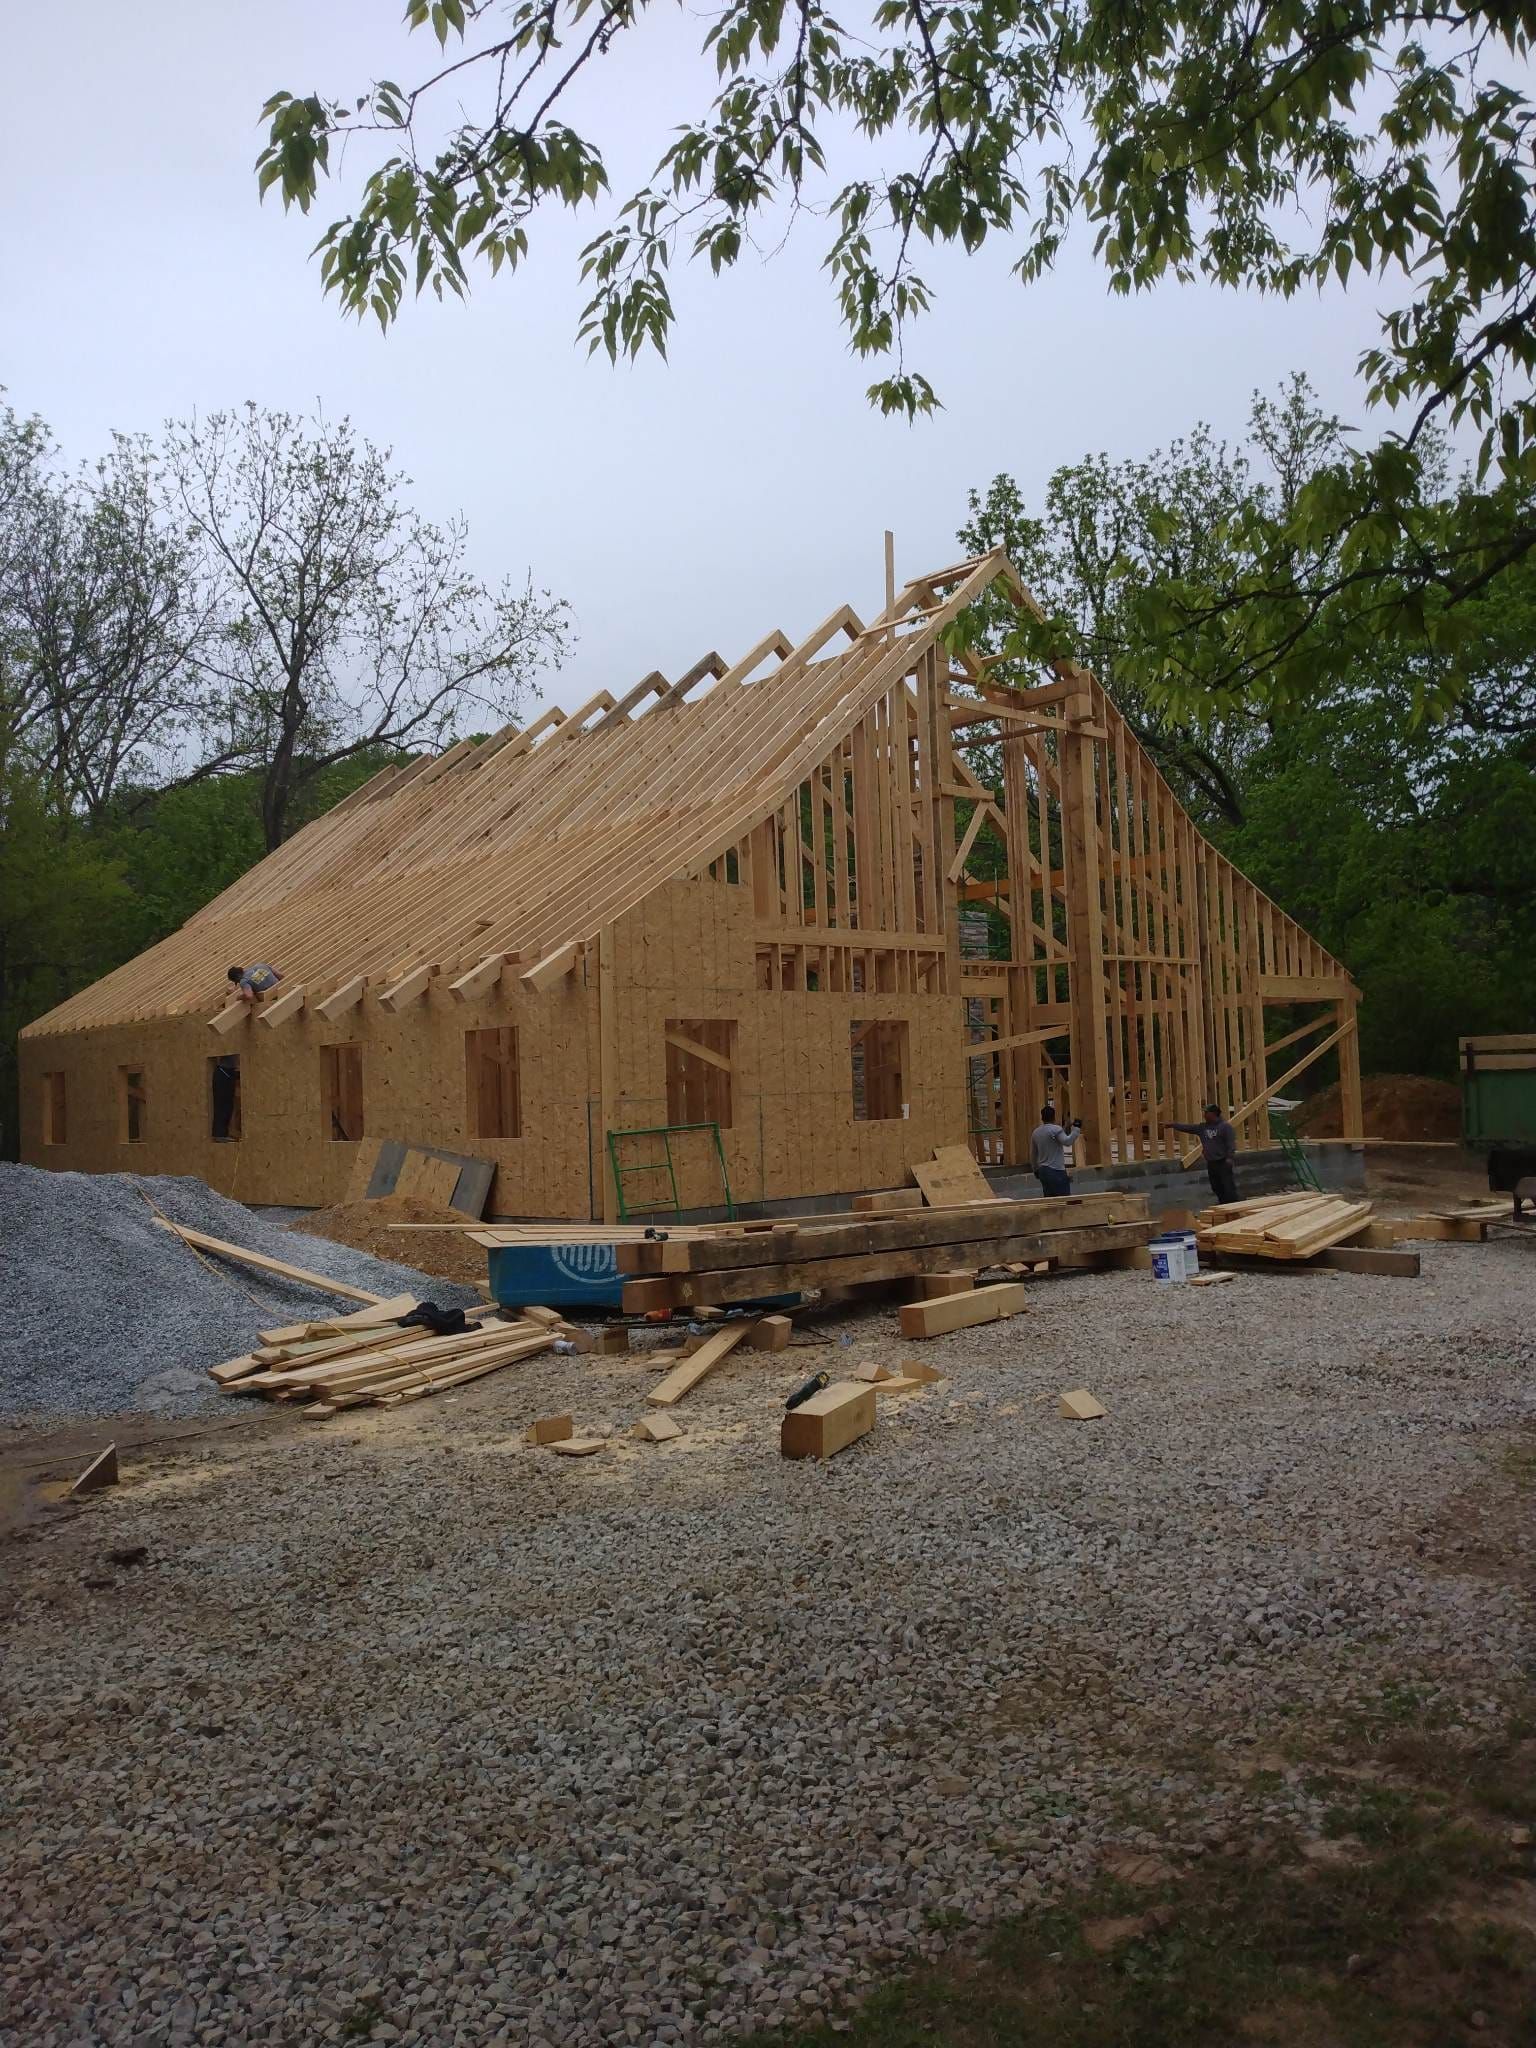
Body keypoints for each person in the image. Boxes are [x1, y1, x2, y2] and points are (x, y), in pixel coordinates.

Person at [1167, 1103, 1239, 1204]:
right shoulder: (1203, 1127)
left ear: (1213, 1114)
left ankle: (1233, 1206)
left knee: (1228, 1186)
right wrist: (1173, 1125)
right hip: (1211, 1163)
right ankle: (1223, 1204)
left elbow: (1230, 1143)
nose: (1204, 1115)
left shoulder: (1225, 1127)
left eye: (1206, 1112)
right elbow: (1188, 1128)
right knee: (1216, 1186)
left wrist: (1229, 1158)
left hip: (1223, 1162)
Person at [1030, 1103, 1083, 1196]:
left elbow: (1033, 1155)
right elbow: (1067, 1141)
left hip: (1043, 1171)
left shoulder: (1036, 1132)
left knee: (1050, 1202)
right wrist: (1076, 1129)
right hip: (1056, 1171)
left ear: (1042, 1118)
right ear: (1054, 1117)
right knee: (1063, 1201)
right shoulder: (1056, 1129)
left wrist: (1035, 1170)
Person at [211, 1053, 240, 1142]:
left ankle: (224, 1133)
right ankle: (220, 1134)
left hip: (230, 1071)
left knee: (229, 1105)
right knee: (223, 1104)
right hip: (223, 1071)